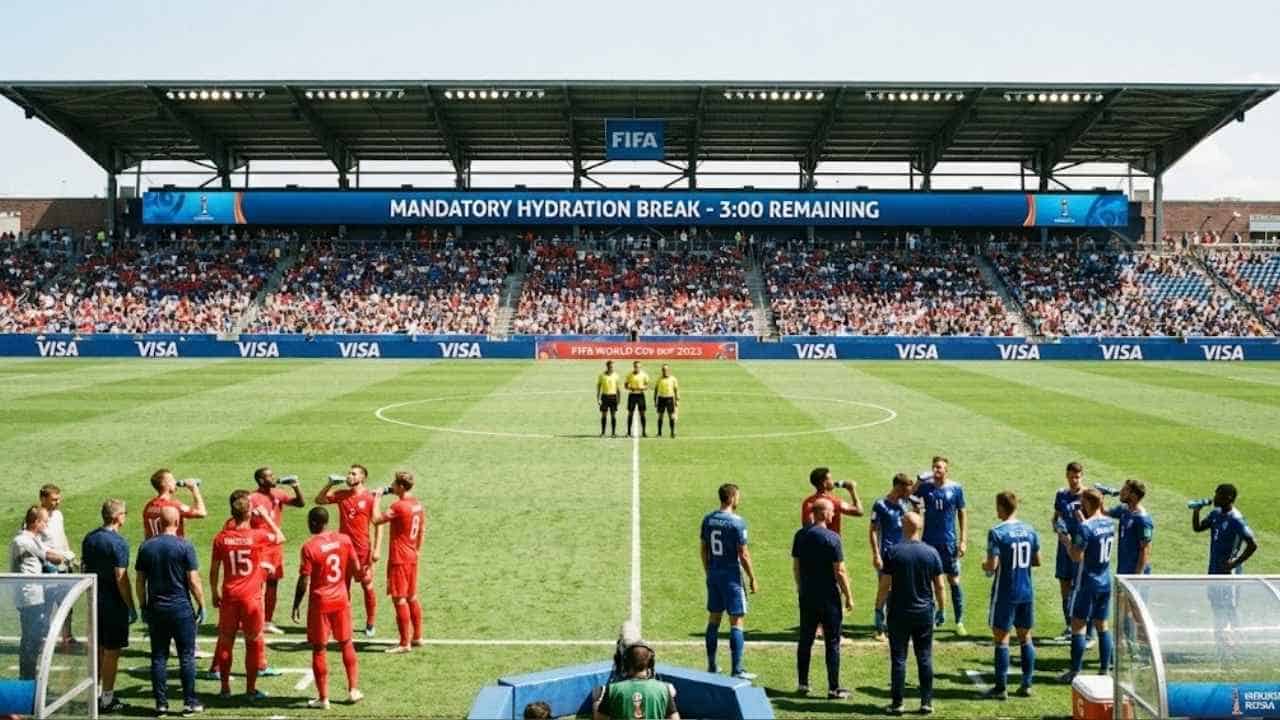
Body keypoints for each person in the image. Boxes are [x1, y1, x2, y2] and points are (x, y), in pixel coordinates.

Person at [210, 491, 285, 700]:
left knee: (226, 640)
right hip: (251, 598)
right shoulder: (256, 536)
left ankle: (224, 689)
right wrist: (268, 517)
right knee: (253, 641)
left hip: (230, 595)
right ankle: (250, 690)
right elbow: (280, 537)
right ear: (250, 513)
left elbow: (214, 569)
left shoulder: (221, 538)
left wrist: (214, 591)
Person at [135, 506, 206, 716]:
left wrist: (143, 605)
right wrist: (202, 604)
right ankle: (189, 702)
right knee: (186, 656)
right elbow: (193, 580)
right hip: (181, 608)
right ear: (177, 522)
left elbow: (140, 581)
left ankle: (161, 704)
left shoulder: (146, 547)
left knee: (158, 657)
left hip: (157, 608)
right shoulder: (185, 546)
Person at [293, 507, 364, 709]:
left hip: (320, 603)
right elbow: (356, 568)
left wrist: (296, 604)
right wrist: (361, 576)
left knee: (319, 649)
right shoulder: (344, 539)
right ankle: (353, 690)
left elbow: (304, 580)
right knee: (346, 643)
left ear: (314, 523)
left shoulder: (309, 547)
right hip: (341, 598)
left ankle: (323, 699)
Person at [881, 512, 945, 716]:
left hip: (899, 612)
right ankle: (926, 702)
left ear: (903, 526)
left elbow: (885, 584)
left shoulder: (893, 552)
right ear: (920, 527)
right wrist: (942, 609)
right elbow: (940, 586)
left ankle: (897, 703)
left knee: (899, 659)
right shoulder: (931, 552)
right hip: (924, 612)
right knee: (924, 657)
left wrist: (877, 608)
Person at [791, 498, 853, 699]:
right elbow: (840, 571)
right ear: (823, 513)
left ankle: (803, 684)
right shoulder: (832, 538)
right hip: (828, 598)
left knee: (805, 640)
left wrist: (801, 588)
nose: (834, 514)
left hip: (807, 595)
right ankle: (833, 688)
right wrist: (848, 596)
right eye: (831, 511)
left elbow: (796, 566)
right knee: (832, 642)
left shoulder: (800, 535)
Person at [982, 491, 1040, 700]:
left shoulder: (997, 532)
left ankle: (1000, 688)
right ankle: (1027, 684)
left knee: (1002, 639)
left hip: (1005, 592)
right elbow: (1037, 560)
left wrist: (985, 565)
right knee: (1026, 637)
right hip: (1026, 591)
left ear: (1002, 507)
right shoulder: (1030, 530)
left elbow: (992, 565)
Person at [81, 499, 137, 714]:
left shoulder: (90, 538)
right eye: (124, 512)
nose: (125, 516)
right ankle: (107, 699)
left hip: (94, 600)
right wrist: (130, 606)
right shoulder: (118, 543)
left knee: (97, 649)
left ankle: (93, 693)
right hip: (113, 604)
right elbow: (121, 578)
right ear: (116, 517)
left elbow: (85, 568)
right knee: (112, 652)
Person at [699, 483, 758, 679]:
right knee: (736, 622)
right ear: (732, 498)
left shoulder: (708, 519)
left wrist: (709, 570)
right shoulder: (737, 523)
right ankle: (737, 669)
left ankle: (712, 665)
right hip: (731, 577)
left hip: (714, 574)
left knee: (714, 619)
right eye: (738, 496)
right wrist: (752, 577)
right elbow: (744, 554)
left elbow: (704, 549)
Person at [315, 465, 382, 636]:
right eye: (349, 473)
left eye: (354, 474)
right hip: (343, 550)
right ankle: (343, 622)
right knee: (343, 588)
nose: (349, 476)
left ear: (362, 478)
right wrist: (329, 484)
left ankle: (370, 622)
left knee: (367, 585)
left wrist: (377, 550)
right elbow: (319, 500)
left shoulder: (369, 498)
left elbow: (378, 524)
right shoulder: (341, 494)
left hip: (362, 550)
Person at [1059, 489, 1114, 683]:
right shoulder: (1109, 523)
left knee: (1078, 626)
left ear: (1089, 504)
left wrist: (1066, 541)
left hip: (1086, 582)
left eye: (1083, 503)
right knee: (1102, 625)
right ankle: (1105, 670)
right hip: (1105, 580)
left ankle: (1074, 671)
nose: (1081, 506)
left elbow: (1076, 556)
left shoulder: (1085, 528)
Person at [10, 506, 69, 680]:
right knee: (30, 638)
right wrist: (65, 557)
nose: (47, 524)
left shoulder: (33, 538)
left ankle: (29, 675)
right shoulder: (23, 540)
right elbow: (51, 556)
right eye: (44, 521)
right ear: (36, 522)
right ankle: (27, 677)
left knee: (35, 636)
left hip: (36, 595)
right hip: (29, 597)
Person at [372, 471, 426, 653]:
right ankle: (417, 637)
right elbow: (422, 531)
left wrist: (377, 498)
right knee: (412, 597)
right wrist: (416, 550)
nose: (392, 486)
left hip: (399, 558)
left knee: (399, 599)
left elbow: (376, 520)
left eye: (394, 483)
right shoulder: (418, 505)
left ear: (401, 487)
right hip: (412, 556)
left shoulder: (399, 506)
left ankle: (404, 643)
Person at [1192, 483, 1258, 635]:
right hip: (1214, 569)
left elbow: (1253, 545)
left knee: (1230, 606)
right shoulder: (1216, 514)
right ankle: (1220, 637)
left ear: (1228, 498)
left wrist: (1235, 563)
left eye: (1217, 494)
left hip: (1229, 573)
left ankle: (1237, 639)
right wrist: (1196, 511)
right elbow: (1198, 528)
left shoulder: (1236, 519)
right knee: (1215, 602)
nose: (1214, 497)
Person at [913, 456, 967, 635]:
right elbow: (910, 498)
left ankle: (959, 621)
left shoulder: (956, 488)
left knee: (953, 580)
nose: (937, 470)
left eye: (940, 467)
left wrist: (963, 540)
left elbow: (962, 514)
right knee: (929, 581)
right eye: (934, 467)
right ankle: (935, 615)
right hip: (928, 541)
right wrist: (919, 481)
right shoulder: (926, 487)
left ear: (946, 470)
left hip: (948, 542)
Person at [248, 466, 304, 635]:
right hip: (259, 546)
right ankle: (251, 620)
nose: (274, 478)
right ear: (260, 480)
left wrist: (296, 486)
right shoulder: (252, 497)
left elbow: (300, 503)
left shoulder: (278, 494)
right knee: (256, 585)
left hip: (276, 547)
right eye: (269, 476)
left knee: (273, 584)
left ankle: (267, 621)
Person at [869, 473, 913, 642]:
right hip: (886, 554)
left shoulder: (905, 504)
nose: (908, 493)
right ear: (898, 487)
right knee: (884, 591)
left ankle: (894, 625)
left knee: (900, 590)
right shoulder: (880, 505)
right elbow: (873, 530)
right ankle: (879, 627)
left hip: (902, 555)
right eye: (906, 489)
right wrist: (876, 554)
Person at [592, 643, 680, 720]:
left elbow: (600, 718)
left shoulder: (613, 689)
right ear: (650, 664)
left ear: (626, 664)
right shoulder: (663, 689)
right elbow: (674, 718)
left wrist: (597, 700)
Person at [1051, 462, 1085, 638]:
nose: (1074, 480)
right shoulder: (1061, 495)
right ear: (1066, 476)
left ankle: (1081, 628)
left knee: (1079, 587)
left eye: (1077, 477)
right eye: (1071, 477)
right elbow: (1055, 519)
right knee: (1064, 584)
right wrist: (1058, 529)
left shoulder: (1087, 496)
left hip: (1080, 549)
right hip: (1063, 547)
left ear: (1082, 477)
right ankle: (1069, 625)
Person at [142, 468, 207, 540]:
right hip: (171, 547)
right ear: (164, 484)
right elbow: (202, 513)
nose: (175, 482)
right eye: (172, 480)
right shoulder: (173, 505)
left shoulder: (148, 506)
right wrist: (194, 488)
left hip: (151, 547)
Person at [1108, 480, 1153, 575]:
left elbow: (1145, 550)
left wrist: (1137, 576)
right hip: (1123, 570)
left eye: (1125, 490)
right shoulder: (1124, 510)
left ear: (1134, 495)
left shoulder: (1143, 520)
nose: (1121, 491)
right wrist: (1101, 495)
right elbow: (1102, 512)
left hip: (1135, 573)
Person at [800, 467, 863, 535]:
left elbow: (806, 525)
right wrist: (852, 490)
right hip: (830, 541)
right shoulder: (833, 502)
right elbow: (859, 511)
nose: (833, 481)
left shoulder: (807, 502)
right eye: (830, 479)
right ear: (824, 483)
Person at [624, 360, 651, 437]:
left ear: (640, 367)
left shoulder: (644, 375)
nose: (637, 368)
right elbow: (625, 385)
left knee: (642, 414)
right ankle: (628, 432)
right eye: (635, 366)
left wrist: (643, 388)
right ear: (633, 367)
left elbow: (647, 385)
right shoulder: (629, 375)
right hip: (632, 395)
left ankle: (644, 432)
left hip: (640, 396)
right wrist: (630, 387)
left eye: (638, 367)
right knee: (630, 414)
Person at [653, 364, 679, 438]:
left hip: (670, 398)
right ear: (662, 371)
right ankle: (659, 433)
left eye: (666, 370)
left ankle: (672, 432)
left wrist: (677, 400)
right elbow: (656, 390)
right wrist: (655, 400)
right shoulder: (659, 379)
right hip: (661, 398)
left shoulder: (673, 379)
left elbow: (676, 390)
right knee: (660, 416)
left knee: (671, 416)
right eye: (663, 370)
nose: (665, 371)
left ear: (669, 370)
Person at [596, 360, 621, 437]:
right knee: (604, 415)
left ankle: (613, 433)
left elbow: (618, 388)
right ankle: (603, 432)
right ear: (607, 367)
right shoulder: (602, 375)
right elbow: (599, 387)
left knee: (613, 415)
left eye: (612, 367)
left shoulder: (616, 375)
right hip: (604, 396)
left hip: (613, 396)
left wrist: (619, 399)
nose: (611, 368)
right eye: (610, 367)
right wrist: (598, 398)